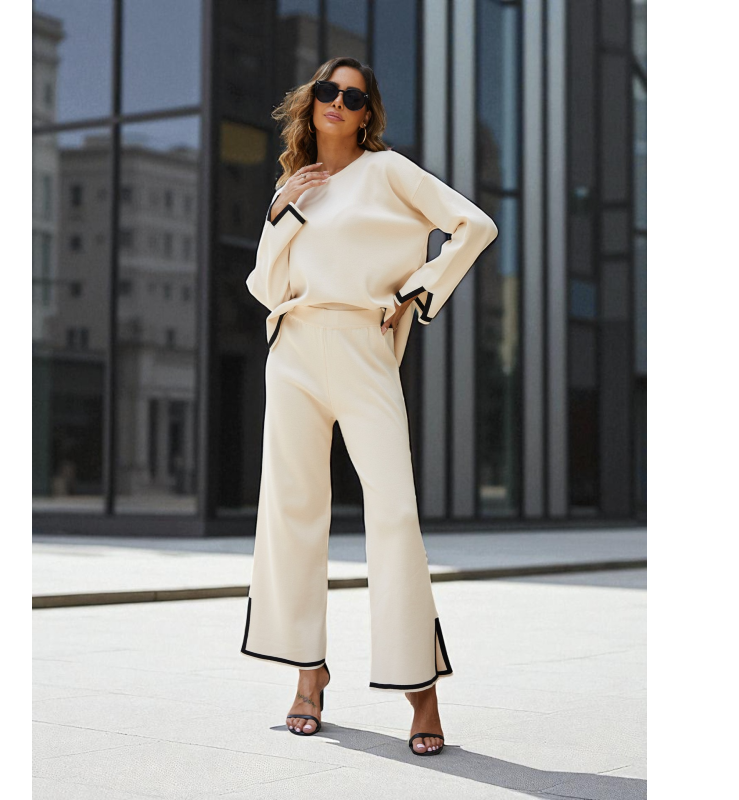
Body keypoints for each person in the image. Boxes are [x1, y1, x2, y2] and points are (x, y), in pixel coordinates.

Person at [242, 56, 498, 757]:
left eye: (353, 97)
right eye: (328, 91)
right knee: (292, 513)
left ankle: (422, 687)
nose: (338, 102)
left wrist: (419, 291)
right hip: (293, 349)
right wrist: (279, 209)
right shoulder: (295, 185)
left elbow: (473, 225)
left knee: (393, 514)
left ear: (366, 113)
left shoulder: (389, 172)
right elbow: (266, 288)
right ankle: (307, 675)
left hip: (362, 345)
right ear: (312, 102)